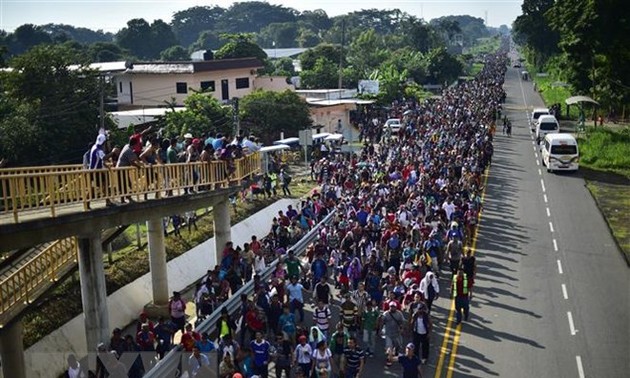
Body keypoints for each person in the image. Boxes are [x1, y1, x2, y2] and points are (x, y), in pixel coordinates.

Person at [379, 301, 406, 367]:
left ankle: (396, 351)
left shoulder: (399, 314)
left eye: (393, 307)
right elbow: (382, 322)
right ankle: (389, 360)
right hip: (388, 333)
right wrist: (380, 329)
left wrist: (402, 328)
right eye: (391, 307)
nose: (392, 308)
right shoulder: (386, 314)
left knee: (398, 345)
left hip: (397, 333)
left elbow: (402, 321)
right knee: (389, 346)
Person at [410, 300, 431, 364]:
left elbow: (430, 324)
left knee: (425, 346)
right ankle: (416, 358)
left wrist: (429, 333)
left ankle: (424, 358)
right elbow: (412, 323)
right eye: (419, 309)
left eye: (422, 309)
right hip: (417, 333)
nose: (420, 311)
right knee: (416, 346)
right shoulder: (415, 315)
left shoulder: (426, 315)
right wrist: (411, 331)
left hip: (424, 333)